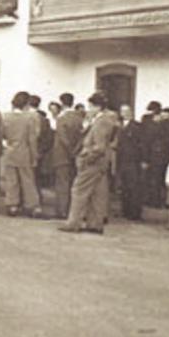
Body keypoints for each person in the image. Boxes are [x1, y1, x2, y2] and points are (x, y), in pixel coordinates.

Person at [59, 92, 116, 234]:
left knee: (79, 190)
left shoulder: (102, 121)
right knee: (97, 193)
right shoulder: (104, 120)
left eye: (91, 106)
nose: (88, 109)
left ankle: (73, 222)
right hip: (100, 162)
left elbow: (99, 146)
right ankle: (95, 223)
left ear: (97, 107)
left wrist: (86, 159)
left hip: (92, 161)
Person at [0, 91, 43, 218]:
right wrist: (34, 156)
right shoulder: (29, 118)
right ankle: (32, 206)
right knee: (28, 180)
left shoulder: (6, 116)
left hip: (10, 151)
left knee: (11, 180)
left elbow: (2, 134)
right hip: (24, 152)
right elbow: (32, 139)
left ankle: (12, 205)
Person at [52, 93, 84, 219]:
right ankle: (72, 209)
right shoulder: (79, 117)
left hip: (62, 154)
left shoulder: (61, 118)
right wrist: (75, 151)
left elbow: (62, 137)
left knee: (62, 183)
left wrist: (69, 150)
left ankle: (62, 210)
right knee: (73, 182)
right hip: (76, 153)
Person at [115, 104, 145, 221]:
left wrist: (143, 159)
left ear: (131, 112)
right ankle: (125, 210)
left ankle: (135, 212)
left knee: (134, 187)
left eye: (126, 111)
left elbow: (142, 144)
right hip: (122, 160)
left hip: (133, 160)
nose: (124, 113)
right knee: (125, 186)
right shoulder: (120, 126)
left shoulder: (137, 126)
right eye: (122, 111)